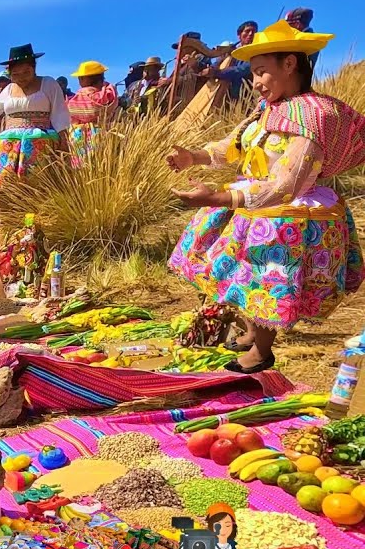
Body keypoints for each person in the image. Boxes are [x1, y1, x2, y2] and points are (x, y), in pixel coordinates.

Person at [167, 20, 361, 374]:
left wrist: (220, 197)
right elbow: (235, 146)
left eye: (261, 72)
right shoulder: (268, 110)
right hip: (253, 201)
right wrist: (193, 156)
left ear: (289, 64)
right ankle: (250, 332)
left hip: (285, 212)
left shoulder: (312, 117)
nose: (256, 83)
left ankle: (262, 351)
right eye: (254, 74)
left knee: (266, 276)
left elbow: (287, 183)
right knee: (239, 271)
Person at [0, 44, 70, 195]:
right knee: (4, 189)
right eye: (16, 74)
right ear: (10, 74)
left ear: (34, 67)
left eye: (26, 72)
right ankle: (6, 210)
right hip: (10, 145)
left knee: (36, 189)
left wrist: (64, 142)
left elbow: (60, 114)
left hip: (39, 140)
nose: (21, 78)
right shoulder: (9, 89)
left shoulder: (48, 84)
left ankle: (33, 214)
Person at [67, 61, 119, 162]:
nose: (79, 79)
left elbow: (69, 112)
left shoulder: (80, 97)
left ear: (86, 78)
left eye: (81, 77)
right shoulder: (109, 95)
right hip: (104, 134)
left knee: (82, 169)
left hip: (81, 137)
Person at [204, 21, 259, 100]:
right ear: (239, 35)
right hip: (226, 92)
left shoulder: (256, 53)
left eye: (253, 32)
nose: (250, 34)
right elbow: (217, 62)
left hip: (244, 94)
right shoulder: (229, 49)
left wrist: (218, 73)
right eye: (247, 31)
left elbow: (241, 70)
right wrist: (211, 69)